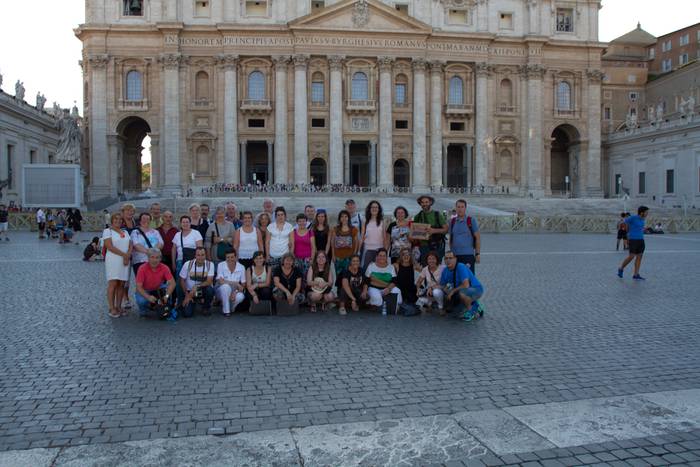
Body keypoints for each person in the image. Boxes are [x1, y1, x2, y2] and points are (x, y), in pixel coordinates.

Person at [103, 212, 132, 318]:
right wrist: (124, 255)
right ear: (112, 220)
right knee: (113, 283)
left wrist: (127, 255)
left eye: (120, 219)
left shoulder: (125, 232)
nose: (118, 221)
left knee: (121, 284)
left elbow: (130, 245)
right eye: (115, 219)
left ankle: (119, 306)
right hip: (114, 259)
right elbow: (109, 246)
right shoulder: (108, 231)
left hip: (125, 260)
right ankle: (111, 307)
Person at [440, 251, 484, 321]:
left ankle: (471, 312)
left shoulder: (461, 266)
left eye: (450, 258)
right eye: (446, 258)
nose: (448, 260)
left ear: (455, 259)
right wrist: (442, 289)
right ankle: (476, 305)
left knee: (462, 293)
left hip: (476, 289)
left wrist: (452, 291)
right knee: (456, 312)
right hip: (462, 290)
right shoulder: (445, 270)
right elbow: (442, 285)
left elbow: (466, 285)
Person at [134, 248, 176, 318]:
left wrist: (167, 296)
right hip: (145, 289)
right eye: (152, 257)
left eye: (157, 258)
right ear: (148, 258)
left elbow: (173, 283)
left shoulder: (165, 267)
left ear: (160, 259)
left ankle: (165, 307)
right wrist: (148, 297)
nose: (154, 260)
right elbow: (138, 287)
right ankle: (144, 310)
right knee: (141, 301)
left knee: (167, 290)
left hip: (158, 288)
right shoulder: (142, 268)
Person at [178, 246, 215, 317]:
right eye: (198, 255)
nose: (201, 257)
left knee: (210, 290)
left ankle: (206, 307)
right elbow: (182, 280)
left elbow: (209, 281)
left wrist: (197, 286)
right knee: (187, 314)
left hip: (201, 291)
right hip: (189, 292)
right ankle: (192, 302)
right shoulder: (187, 264)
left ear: (205, 255)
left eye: (203, 255)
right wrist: (187, 295)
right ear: (195, 256)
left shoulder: (210, 264)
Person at [618, 206, 650, 281]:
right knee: (631, 256)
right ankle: (621, 268)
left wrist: (644, 230)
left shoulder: (643, 220)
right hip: (633, 240)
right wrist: (627, 232)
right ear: (642, 212)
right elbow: (624, 222)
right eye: (646, 212)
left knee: (639, 257)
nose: (647, 214)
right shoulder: (633, 218)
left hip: (641, 240)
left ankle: (636, 274)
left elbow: (639, 228)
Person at [448, 199, 481, 273]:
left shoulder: (471, 220)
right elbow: (451, 238)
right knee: (456, 278)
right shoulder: (452, 221)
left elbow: (478, 238)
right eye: (458, 207)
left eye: (462, 207)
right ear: (456, 208)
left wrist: (477, 254)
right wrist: (451, 253)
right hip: (455, 256)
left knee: (468, 278)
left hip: (468, 255)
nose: (460, 209)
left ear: (465, 208)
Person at [414, 195, 447, 263]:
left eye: (426, 202)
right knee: (425, 269)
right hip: (423, 247)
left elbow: (446, 229)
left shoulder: (437, 215)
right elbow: (414, 232)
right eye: (422, 202)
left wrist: (433, 231)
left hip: (436, 246)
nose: (424, 204)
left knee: (437, 269)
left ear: (430, 203)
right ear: (420, 204)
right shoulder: (417, 216)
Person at [215, 249, 247, 316]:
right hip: (221, 290)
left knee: (240, 296)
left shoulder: (241, 267)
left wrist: (235, 292)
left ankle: (231, 308)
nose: (230, 259)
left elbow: (243, 285)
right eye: (228, 257)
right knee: (225, 287)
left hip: (235, 290)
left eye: (232, 257)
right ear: (225, 258)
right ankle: (226, 311)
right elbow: (221, 281)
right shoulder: (221, 265)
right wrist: (236, 283)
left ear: (235, 257)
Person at [330, 209, 359, 276]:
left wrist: (354, 254)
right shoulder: (335, 229)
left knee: (348, 275)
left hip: (349, 257)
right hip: (338, 257)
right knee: (339, 275)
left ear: (348, 218)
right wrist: (333, 255)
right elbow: (332, 242)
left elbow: (356, 242)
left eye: (346, 216)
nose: (344, 218)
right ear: (339, 218)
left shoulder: (353, 229)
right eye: (342, 216)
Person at [360, 200, 386, 269]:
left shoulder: (382, 221)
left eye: (376, 207)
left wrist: (385, 251)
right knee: (366, 269)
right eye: (372, 207)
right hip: (368, 249)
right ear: (369, 209)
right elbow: (362, 236)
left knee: (378, 270)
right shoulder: (365, 220)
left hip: (379, 250)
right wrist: (358, 250)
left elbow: (384, 237)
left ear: (379, 209)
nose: (374, 209)